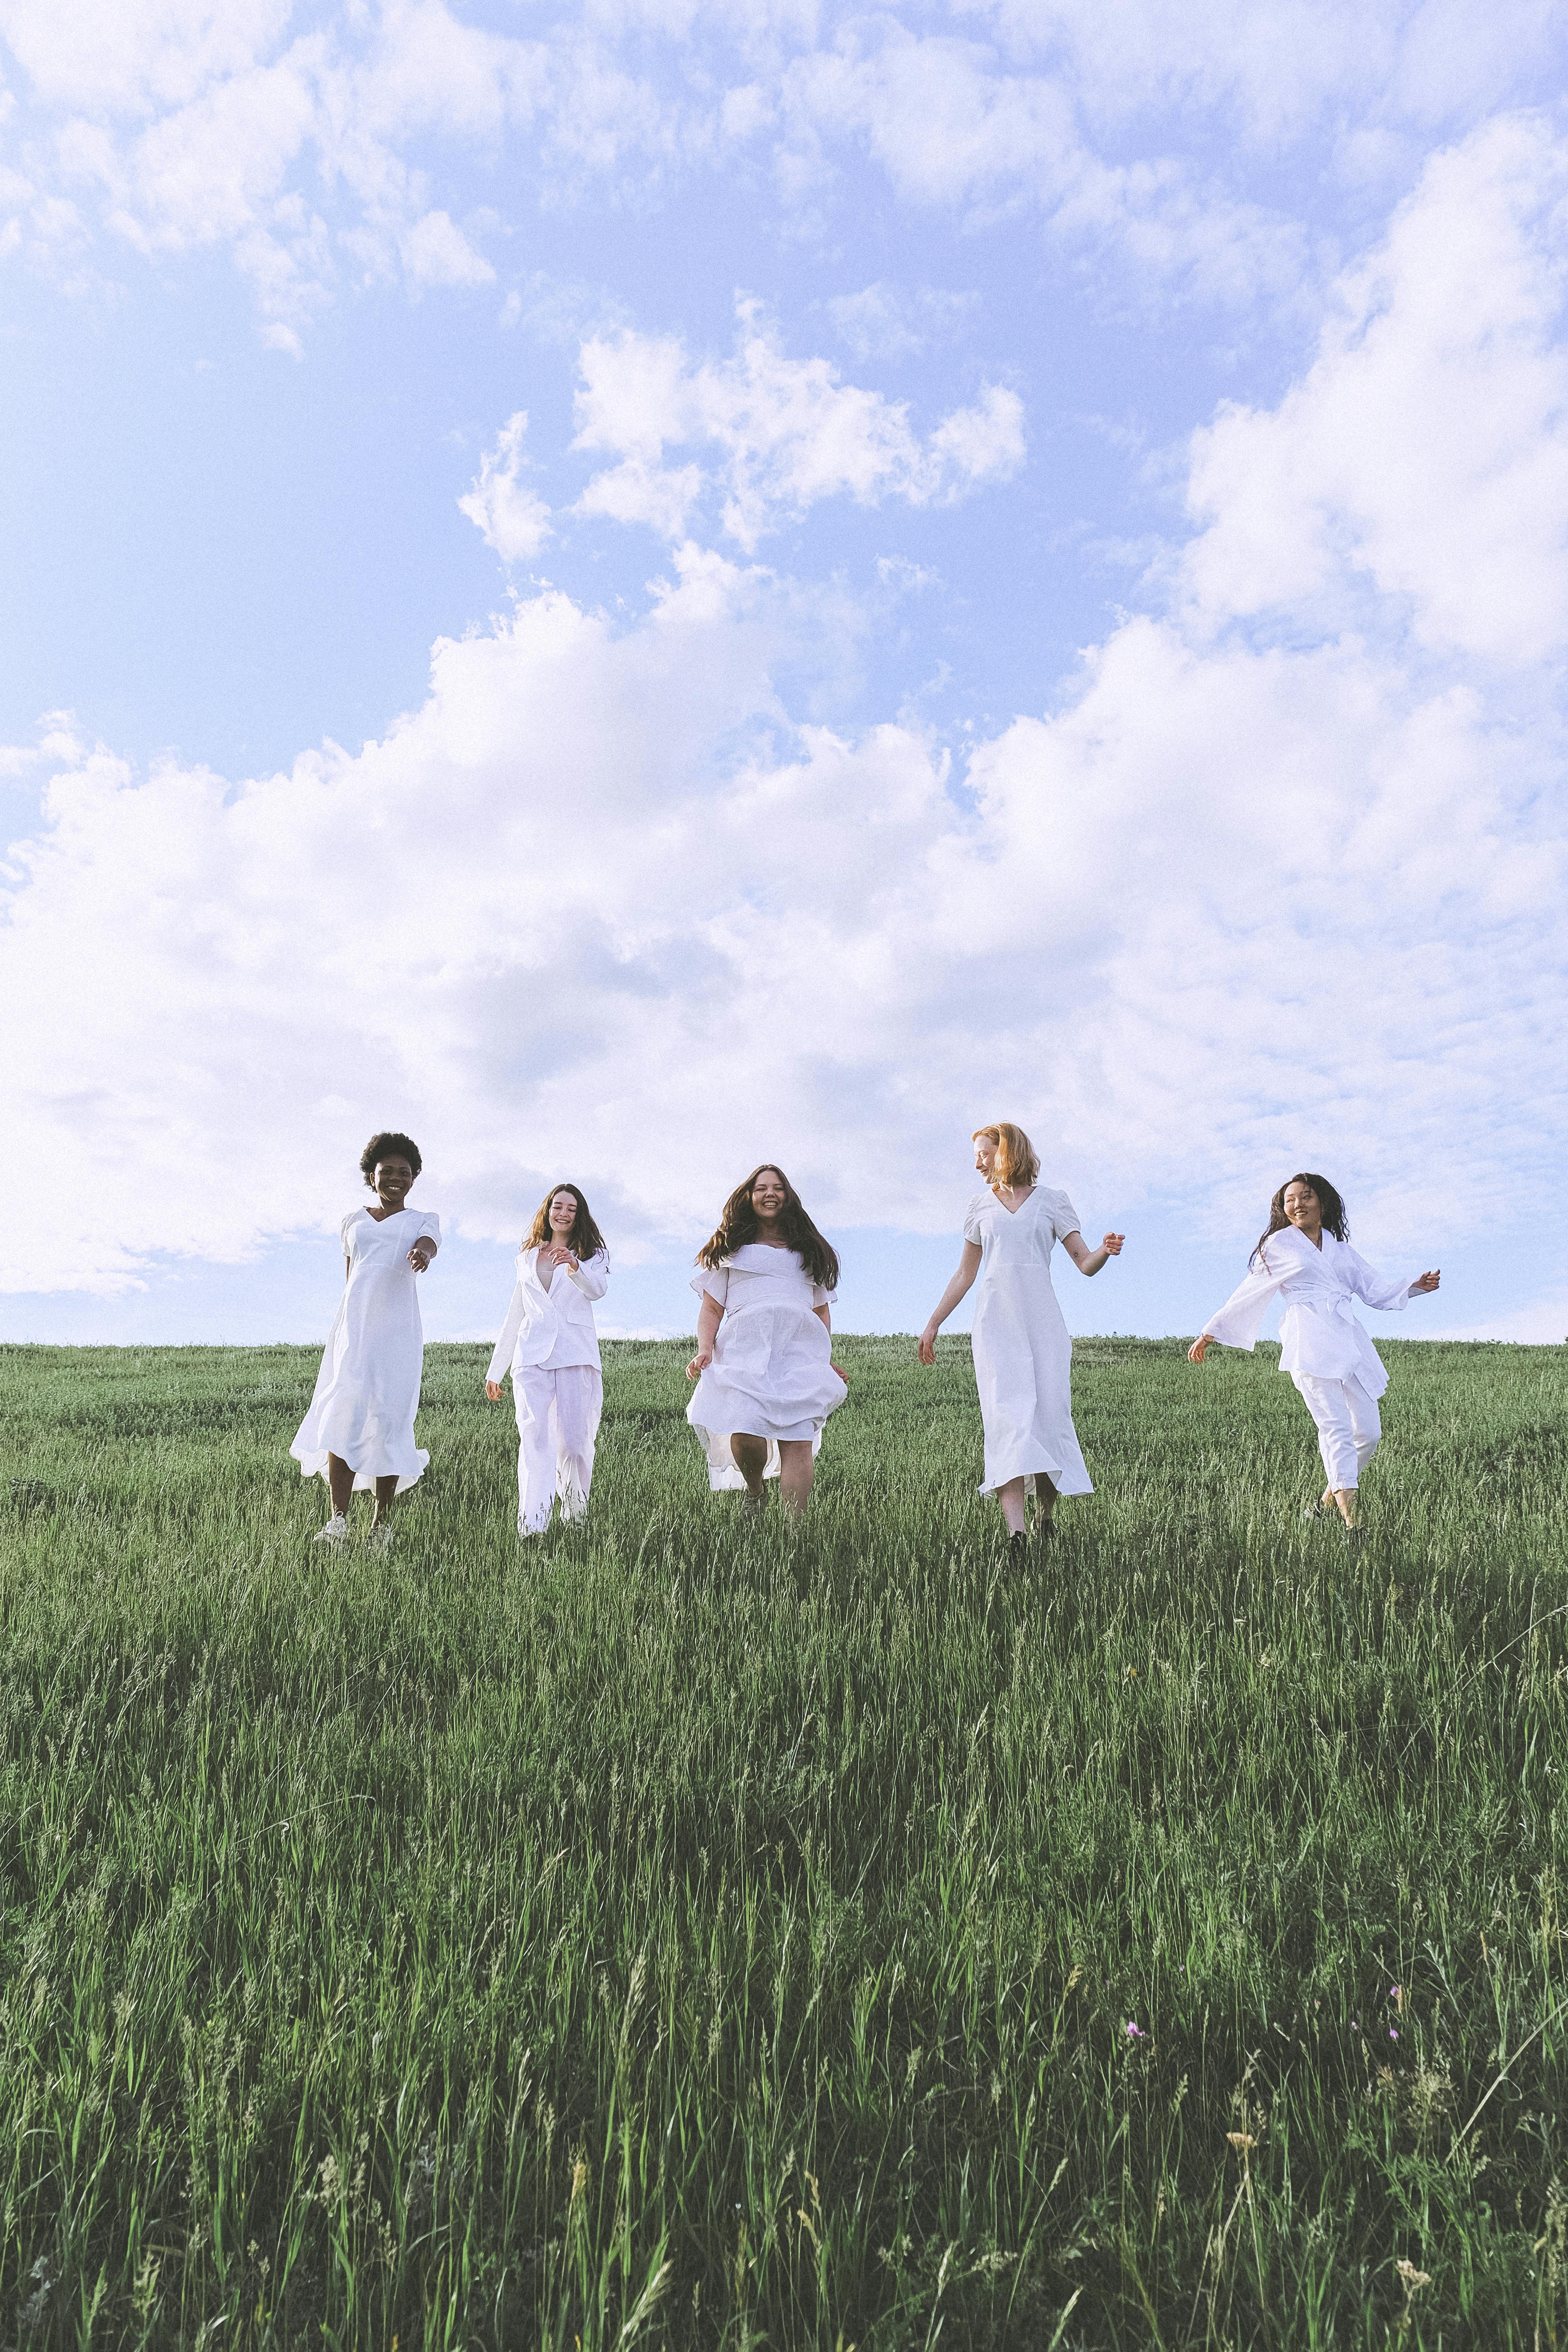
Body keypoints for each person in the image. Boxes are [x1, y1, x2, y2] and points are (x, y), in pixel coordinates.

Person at [1188, 1171, 1439, 1535]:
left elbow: (1372, 1289)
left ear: (1321, 1203)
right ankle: (1353, 1524)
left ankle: (1321, 1507)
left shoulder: (1340, 1250)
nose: (1297, 1204)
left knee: (1367, 1433)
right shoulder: (1278, 1245)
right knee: (1334, 1426)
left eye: (1305, 1197)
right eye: (1289, 1199)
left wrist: (1412, 1287)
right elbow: (1249, 1290)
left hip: (1348, 1339)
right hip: (1308, 1337)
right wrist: (1211, 1332)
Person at [917, 1123, 1124, 1545]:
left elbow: (1083, 1262)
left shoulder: (1052, 1201)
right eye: (976, 1155)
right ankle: (1017, 1536)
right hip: (995, 1325)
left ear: (1008, 1151)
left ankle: (1046, 1517)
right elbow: (965, 1273)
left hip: (1043, 1324)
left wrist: (1105, 1249)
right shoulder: (979, 1207)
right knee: (1006, 1421)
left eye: (985, 1152)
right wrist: (934, 1322)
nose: (978, 1161)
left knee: (1048, 1418)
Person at [291, 1131, 440, 1550]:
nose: (395, 1178)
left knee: (390, 1422)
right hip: (353, 1333)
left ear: (413, 1179)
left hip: (397, 1335)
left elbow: (429, 1245)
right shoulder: (352, 1222)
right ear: (371, 1176)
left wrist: (422, 1255)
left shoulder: (423, 1221)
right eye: (386, 1171)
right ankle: (337, 1521)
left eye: (404, 1173)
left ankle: (382, 1526)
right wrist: (345, 1329)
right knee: (343, 1415)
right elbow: (351, 1277)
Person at [685, 1163, 847, 1515]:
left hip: (800, 1350)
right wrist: (705, 1350)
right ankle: (756, 1491)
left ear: (788, 1197)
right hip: (745, 1344)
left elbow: (821, 1312)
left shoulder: (809, 1251)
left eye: (777, 1188)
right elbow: (712, 1308)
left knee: (797, 1438)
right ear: (749, 1196)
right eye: (761, 1188)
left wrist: (824, 1357)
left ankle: (794, 1535)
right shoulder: (730, 1249)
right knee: (743, 1427)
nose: (769, 1194)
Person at [484, 1182, 610, 1538]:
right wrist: (497, 1370)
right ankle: (533, 1527)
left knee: (574, 1444)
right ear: (548, 1210)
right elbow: (515, 1314)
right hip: (531, 1359)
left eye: (571, 1208)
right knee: (535, 1442)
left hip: (575, 1356)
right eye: (558, 1206)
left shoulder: (593, 1255)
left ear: (579, 1214)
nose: (564, 1213)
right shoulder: (526, 1258)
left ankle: (575, 1522)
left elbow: (597, 1291)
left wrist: (574, 1265)